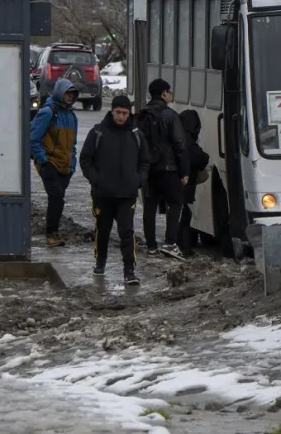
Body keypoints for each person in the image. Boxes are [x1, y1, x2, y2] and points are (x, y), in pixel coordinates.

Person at [79, 95, 150, 285]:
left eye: (125, 113)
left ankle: (129, 271)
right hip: (103, 194)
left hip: (127, 194)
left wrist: (138, 180)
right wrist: (96, 179)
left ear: (129, 113)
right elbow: (85, 159)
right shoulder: (98, 132)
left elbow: (145, 161)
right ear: (112, 111)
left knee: (127, 232)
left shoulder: (136, 135)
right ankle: (100, 262)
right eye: (118, 112)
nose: (121, 117)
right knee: (103, 231)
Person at [138, 78, 189, 259]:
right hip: (169, 169)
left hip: (148, 169)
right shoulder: (170, 115)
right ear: (163, 93)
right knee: (175, 203)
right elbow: (180, 144)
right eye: (169, 92)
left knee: (150, 206)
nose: (170, 95)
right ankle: (170, 242)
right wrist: (184, 171)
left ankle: (151, 245)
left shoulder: (142, 115)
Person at [30, 78, 80, 247]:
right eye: (67, 93)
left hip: (65, 166)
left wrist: (72, 164)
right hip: (49, 163)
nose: (70, 96)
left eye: (72, 94)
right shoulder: (48, 113)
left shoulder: (72, 116)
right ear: (60, 92)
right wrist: (43, 160)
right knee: (56, 198)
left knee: (57, 200)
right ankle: (51, 234)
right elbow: (33, 138)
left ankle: (53, 233)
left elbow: (73, 144)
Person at [177, 109, 209, 258]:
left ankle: (179, 244)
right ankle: (184, 248)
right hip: (185, 183)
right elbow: (199, 158)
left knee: (180, 214)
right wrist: (205, 156)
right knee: (185, 215)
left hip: (176, 182)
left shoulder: (178, 135)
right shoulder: (187, 139)